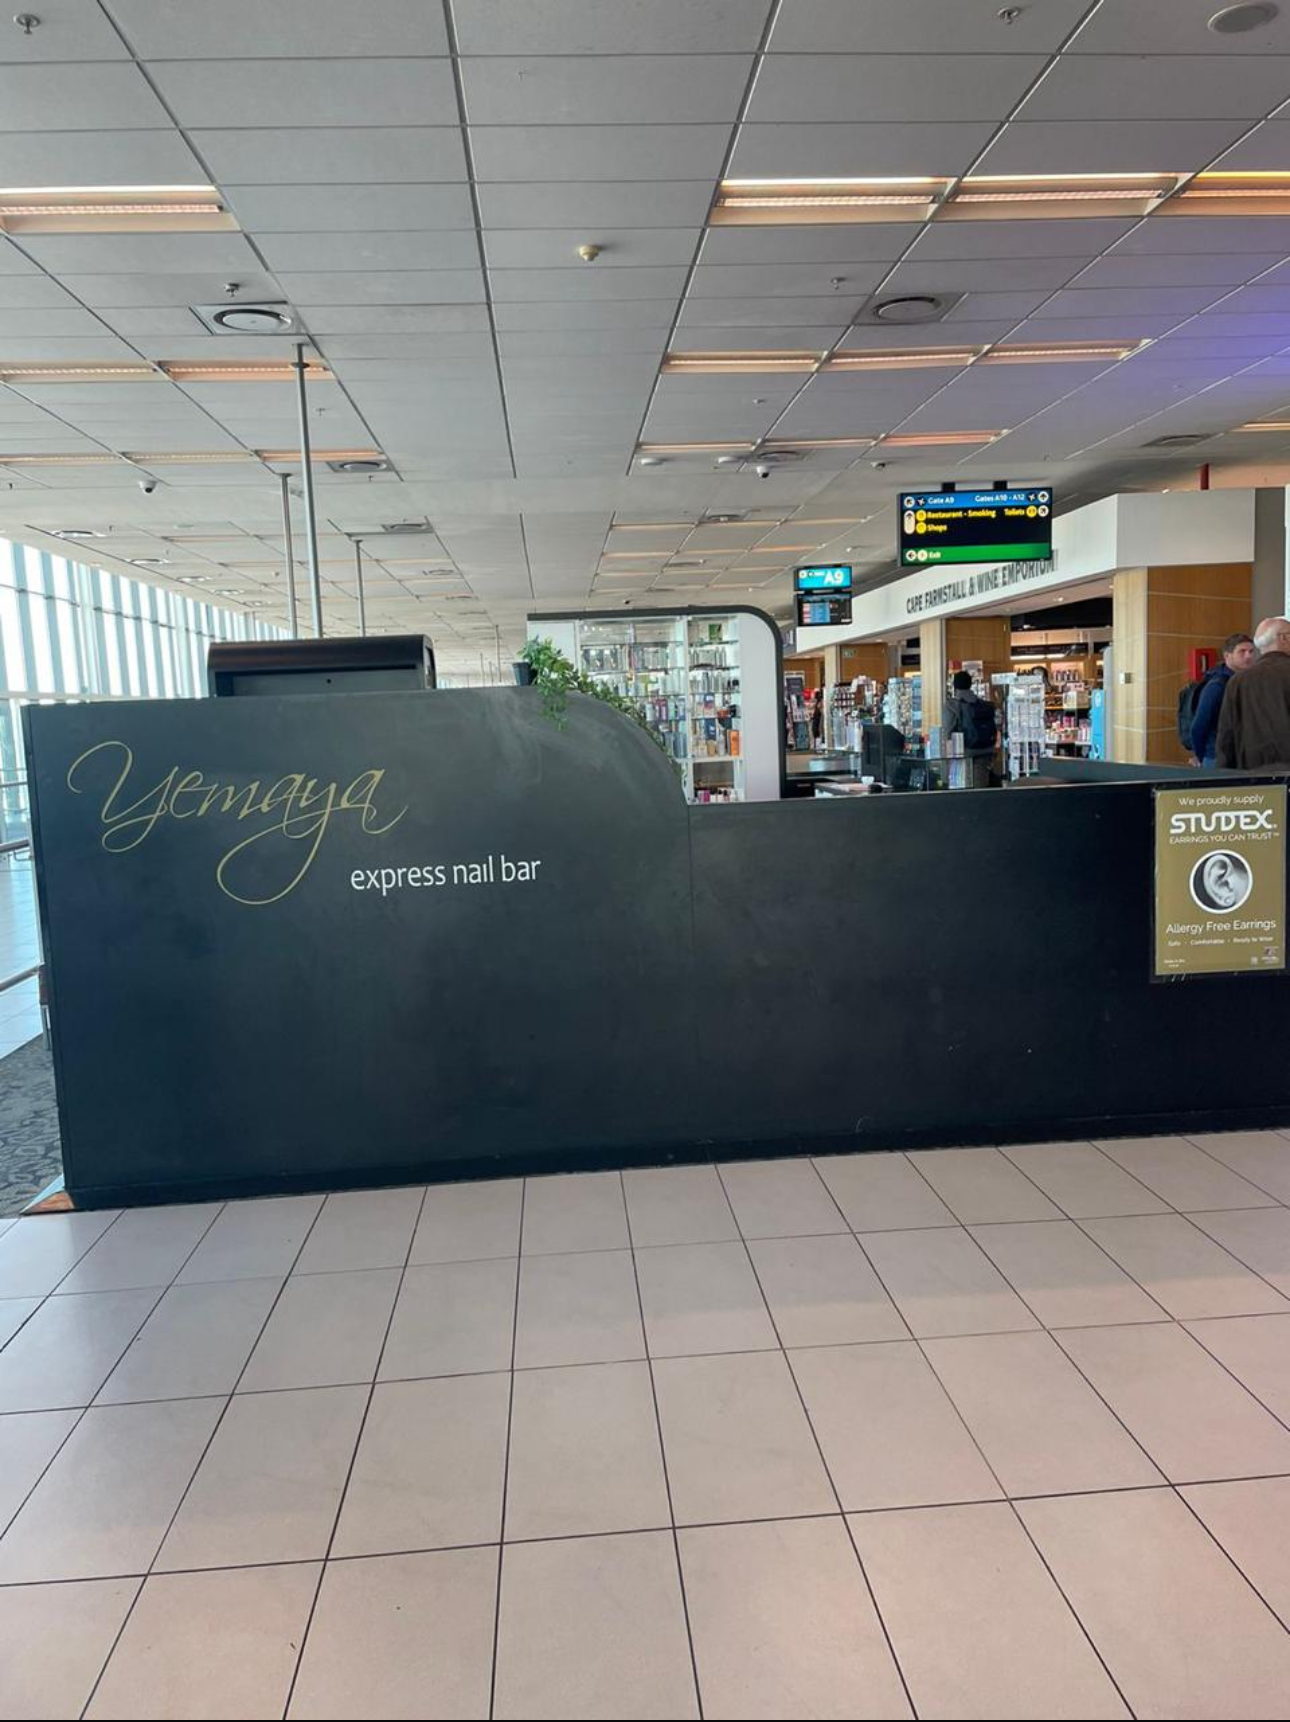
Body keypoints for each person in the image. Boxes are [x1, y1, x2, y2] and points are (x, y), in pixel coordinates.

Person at [1217, 616, 1290, 770]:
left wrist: (1225, 776)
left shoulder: (1238, 681)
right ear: (1284, 638)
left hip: (1252, 774)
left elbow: (1226, 737)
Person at [1189, 632, 1255, 765]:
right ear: (1227, 656)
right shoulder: (1217, 685)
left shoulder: (1246, 681)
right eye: (1242, 652)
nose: (1248, 656)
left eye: (1251, 651)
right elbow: (1200, 725)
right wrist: (1201, 755)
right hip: (1216, 755)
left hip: (1240, 753)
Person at [944, 669, 996, 788]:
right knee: (980, 789)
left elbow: (947, 731)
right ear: (970, 684)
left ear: (954, 686)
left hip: (964, 753)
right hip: (985, 751)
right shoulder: (982, 704)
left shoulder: (952, 706)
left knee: (963, 791)